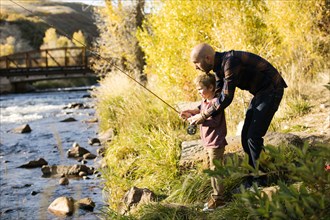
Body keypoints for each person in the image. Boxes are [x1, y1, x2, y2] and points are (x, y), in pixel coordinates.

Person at [187, 43, 287, 188]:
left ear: (208, 58)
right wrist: (196, 111)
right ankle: (254, 177)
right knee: (245, 135)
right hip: (260, 93)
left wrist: (203, 116)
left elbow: (227, 98)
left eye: (196, 63)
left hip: (272, 89)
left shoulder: (230, 62)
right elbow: (217, 97)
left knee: (253, 136)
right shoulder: (219, 69)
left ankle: (262, 180)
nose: (196, 67)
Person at [180, 73, 228, 211]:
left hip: (216, 143)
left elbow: (213, 121)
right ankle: (215, 197)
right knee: (212, 170)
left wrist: (197, 120)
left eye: (201, 89)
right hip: (208, 143)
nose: (199, 92)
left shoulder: (216, 104)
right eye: (198, 90)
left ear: (211, 87)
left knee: (216, 171)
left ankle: (219, 200)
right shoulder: (205, 102)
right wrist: (190, 113)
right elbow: (199, 110)